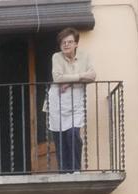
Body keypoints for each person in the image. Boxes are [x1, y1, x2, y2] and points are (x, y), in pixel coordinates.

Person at [46, 27, 95, 173]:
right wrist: (80, 77)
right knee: (60, 138)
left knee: (73, 134)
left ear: (76, 44)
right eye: (63, 42)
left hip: (76, 102)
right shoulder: (56, 57)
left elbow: (93, 76)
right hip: (58, 102)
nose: (66, 45)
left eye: (69, 42)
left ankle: (75, 169)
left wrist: (70, 82)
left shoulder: (85, 56)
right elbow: (57, 78)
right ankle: (64, 171)